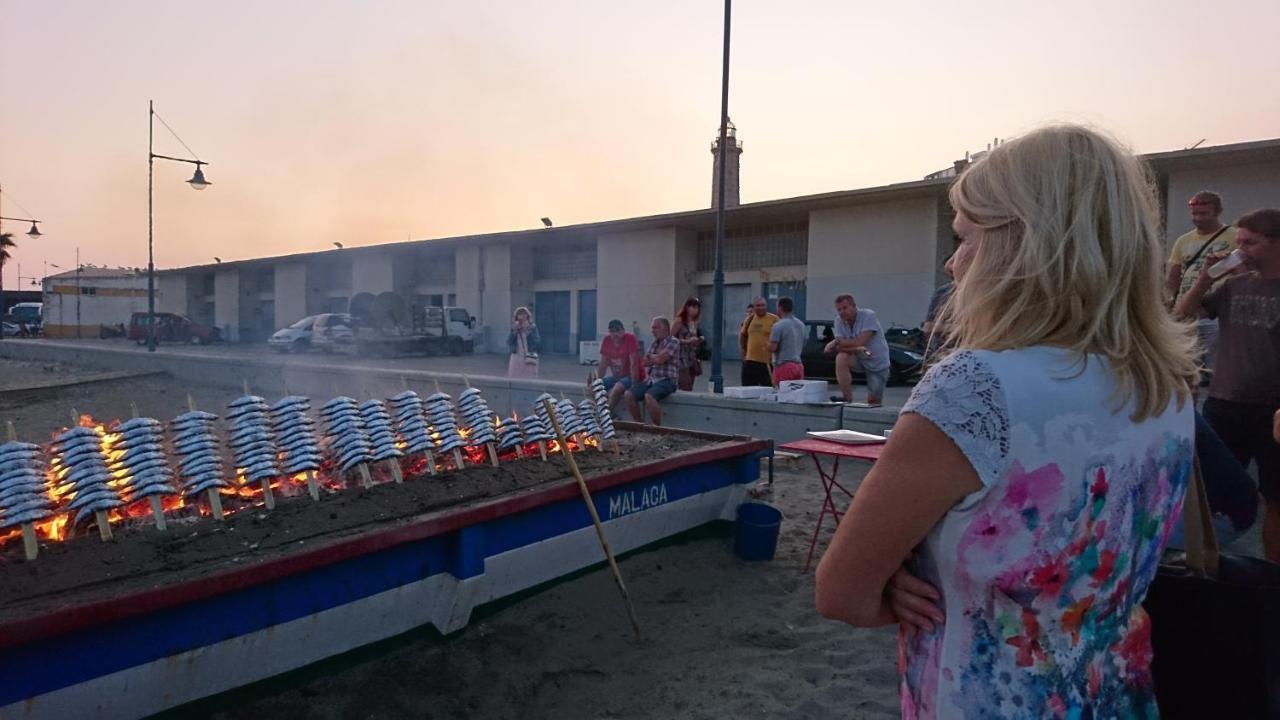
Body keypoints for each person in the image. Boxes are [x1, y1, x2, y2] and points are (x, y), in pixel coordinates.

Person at [815, 125, 1197, 718]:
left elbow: (841, 593)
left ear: (1023, 245)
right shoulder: (1167, 385)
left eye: (966, 238)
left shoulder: (975, 387)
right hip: (1114, 693)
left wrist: (903, 585)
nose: (952, 263)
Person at [1176, 208, 1280, 561]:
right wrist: (1205, 279)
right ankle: (1204, 570)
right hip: (1224, 402)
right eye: (1238, 242)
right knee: (1208, 494)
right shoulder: (1233, 285)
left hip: (1272, 409)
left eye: (1250, 243)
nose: (1240, 250)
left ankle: (1271, 576)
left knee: (1275, 499)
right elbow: (1181, 317)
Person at [1165, 191, 1236, 376]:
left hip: (1215, 314)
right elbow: (1173, 277)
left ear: (1217, 212)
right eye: (1194, 214)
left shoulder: (1233, 236)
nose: (1197, 218)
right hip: (1186, 314)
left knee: (1215, 368)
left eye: (1203, 214)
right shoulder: (1183, 240)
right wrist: (1170, 304)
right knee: (1184, 370)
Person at [825, 294, 890, 405]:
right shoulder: (839, 321)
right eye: (839, 309)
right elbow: (841, 348)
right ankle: (847, 398)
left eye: (845, 308)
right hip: (859, 358)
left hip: (877, 362)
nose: (841, 312)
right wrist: (856, 348)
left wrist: (837, 341)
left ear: (854, 306)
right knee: (841, 357)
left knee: (873, 401)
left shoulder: (868, 315)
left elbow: (861, 341)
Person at [627, 316, 679, 426]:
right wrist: (655, 357)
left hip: (667, 380)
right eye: (652, 328)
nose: (652, 331)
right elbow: (645, 362)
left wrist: (653, 357)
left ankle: (657, 428)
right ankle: (639, 424)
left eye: (655, 328)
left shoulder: (673, 341)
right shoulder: (654, 343)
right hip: (651, 379)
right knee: (629, 394)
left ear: (664, 328)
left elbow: (661, 359)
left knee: (649, 396)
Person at [599, 319, 640, 414]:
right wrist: (597, 381)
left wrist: (634, 384)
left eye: (617, 331)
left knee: (617, 388)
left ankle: (606, 415)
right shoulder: (607, 340)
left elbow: (634, 363)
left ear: (623, 331)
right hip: (616, 376)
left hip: (629, 376)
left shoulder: (630, 339)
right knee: (595, 387)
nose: (615, 334)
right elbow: (603, 364)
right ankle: (601, 411)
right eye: (612, 331)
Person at [737, 296, 778, 387]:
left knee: (768, 390)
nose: (760, 308)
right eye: (758, 306)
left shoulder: (774, 319)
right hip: (750, 361)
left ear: (766, 306)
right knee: (747, 390)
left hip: (766, 362)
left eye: (763, 305)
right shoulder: (749, 319)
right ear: (754, 307)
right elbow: (742, 335)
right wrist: (743, 352)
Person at [767, 296, 805, 385]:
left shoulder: (778, 325)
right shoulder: (801, 325)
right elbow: (803, 344)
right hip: (798, 365)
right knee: (796, 394)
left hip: (784, 365)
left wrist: (765, 345)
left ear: (780, 307)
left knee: (783, 395)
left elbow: (773, 347)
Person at [671, 297, 705, 392]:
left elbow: (695, 336)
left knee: (691, 383)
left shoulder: (694, 322)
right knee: (685, 384)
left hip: (692, 356)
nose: (695, 310)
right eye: (693, 307)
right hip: (681, 357)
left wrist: (698, 340)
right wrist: (687, 341)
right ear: (687, 308)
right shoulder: (679, 321)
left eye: (697, 308)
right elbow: (671, 338)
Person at [506, 307, 540, 379]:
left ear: (527, 315)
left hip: (529, 352)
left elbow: (537, 341)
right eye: (519, 314)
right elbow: (509, 341)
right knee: (515, 374)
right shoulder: (514, 327)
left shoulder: (532, 327)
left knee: (529, 373)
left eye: (524, 314)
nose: (522, 316)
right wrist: (514, 332)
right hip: (517, 353)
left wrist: (528, 332)